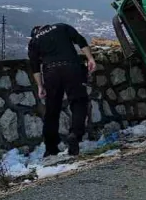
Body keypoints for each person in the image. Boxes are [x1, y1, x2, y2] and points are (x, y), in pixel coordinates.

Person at [28, 23, 96, 157]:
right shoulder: (61, 27)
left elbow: (34, 66)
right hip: (71, 66)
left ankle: (51, 148)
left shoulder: (34, 41)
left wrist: (40, 86)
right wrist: (90, 58)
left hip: (51, 72)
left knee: (52, 110)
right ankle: (75, 134)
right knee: (78, 102)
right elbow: (80, 40)